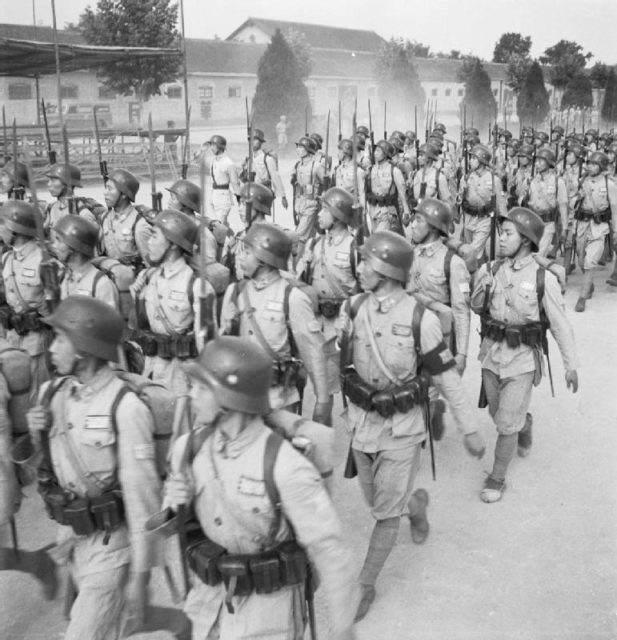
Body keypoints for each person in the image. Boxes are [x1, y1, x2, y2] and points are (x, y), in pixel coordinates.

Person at [163, 336, 358, 640]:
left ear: (230, 397)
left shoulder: (285, 467)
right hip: (206, 606)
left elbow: (330, 551)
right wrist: (176, 507)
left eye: (202, 388)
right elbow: (172, 531)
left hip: (269, 615)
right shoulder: (188, 449)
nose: (191, 395)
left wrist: (343, 628)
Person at [337, 231, 485, 621]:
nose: (361, 268)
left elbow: (447, 377)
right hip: (362, 425)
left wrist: (469, 426)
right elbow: (344, 365)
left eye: (367, 262)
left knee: (384, 515)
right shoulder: (353, 309)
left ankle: (365, 584)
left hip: (402, 430)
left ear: (385, 270)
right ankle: (415, 505)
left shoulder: (423, 319)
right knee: (376, 502)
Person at [26, 296, 162, 639]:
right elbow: (39, 474)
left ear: (84, 349)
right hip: (71, 538)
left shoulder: (126, 408)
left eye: (60, 339)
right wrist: (34, 434)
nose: (51, 348)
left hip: (111, 551)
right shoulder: (52, 394)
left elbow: (142, 495)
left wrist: (141, 576)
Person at [471, 208, 578, 503]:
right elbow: (475, 305)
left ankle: (497, 477)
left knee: (505, 422)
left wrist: (571, 365)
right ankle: (525, 424)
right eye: (500, 232)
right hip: (491, 355)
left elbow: (559, 325)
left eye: (508, 234)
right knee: (497, 413)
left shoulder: (544, 277)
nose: (500, 238)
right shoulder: (491, 269)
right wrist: (484, 286)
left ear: (527, 241)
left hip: (522, 359)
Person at [220, 222, 332, 423]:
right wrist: (227, 329)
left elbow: (315, 355)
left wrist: (322, 402)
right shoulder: (235, 292)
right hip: (240, 398)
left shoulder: (292, 298)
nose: (240, 256)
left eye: (247, 252)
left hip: (278, 399)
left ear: (263, 259)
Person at [130, 209, 217, 394]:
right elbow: (141, 329)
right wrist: (137, 299)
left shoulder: (197, 287)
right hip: (151, 373)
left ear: (172, 244)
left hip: (181, 381)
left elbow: (208, 348)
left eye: (154, 236)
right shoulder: (148, 277)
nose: (148, 242)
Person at [299, 187, 360, 396]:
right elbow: (301, 283)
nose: (319, 214)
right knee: (321, 388)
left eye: (324, 210)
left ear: (338, 215)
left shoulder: (354, 248)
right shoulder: (314, 243)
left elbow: (365, 290)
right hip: (319, 322)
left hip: (344, 321)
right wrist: (303, 265)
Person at [0, 201, 56, 406]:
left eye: (2, 224)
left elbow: (56, 306)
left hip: (37, 340)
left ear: (16, 230)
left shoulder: (44, 261)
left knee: (38, 397)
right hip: (14, 335)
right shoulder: (8, 258)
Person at [572, 151, 617, 311]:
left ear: (601, 166)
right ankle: (588, 284)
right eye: (589, 163)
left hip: (599, 227)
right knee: (580, 258)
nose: (590, 166)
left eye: (594, 164)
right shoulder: (582, 180)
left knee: (590, 261)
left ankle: (582, 297)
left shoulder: (608, 184)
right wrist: (578, 197)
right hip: (582, 225)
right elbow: (572, 203)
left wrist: (616, 230)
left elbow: (615, 208)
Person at [52, 215, 119, 310]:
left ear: (73, 247)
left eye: (59, 240)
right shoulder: (65, 276)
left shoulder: (101, 285)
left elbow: (110, 323)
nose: (54, 245)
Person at [457, 144, 506, 261]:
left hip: (485, 219)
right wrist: (461, 193)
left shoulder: (494, 179)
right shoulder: (466, 177)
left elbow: (500, 203)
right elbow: (459, 199)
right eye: (471, 158)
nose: (471, 161)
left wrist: (504, 223)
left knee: (472, 251)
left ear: (482, 161)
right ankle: (483, 270)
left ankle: (471, 275)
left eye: (474, 158)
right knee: (475, 250)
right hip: (469, 218)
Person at [100, 168, 151, 269]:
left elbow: (150, 265)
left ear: (123, 194)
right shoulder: (105, 218)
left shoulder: (139, 224)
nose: (105, 193)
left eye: (110, 189)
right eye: (106, 188)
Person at [523, 149, 568, 257]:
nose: (537, 164)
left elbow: (563, 205)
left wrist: (565, 228)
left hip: (548, 224)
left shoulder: (558, 181)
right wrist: (524, 189)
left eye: (540, 161)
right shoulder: (530, 180)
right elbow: (521, 201)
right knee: (528, 255)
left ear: (549, 163)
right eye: (536, 161)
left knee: (538, 254)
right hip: (532, 223)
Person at [365, 140, 410, 234]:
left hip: (387, 211)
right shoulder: (370, 169)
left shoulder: (394, 171)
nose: (375, 153)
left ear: (385, 154)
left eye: (378, 151)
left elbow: (402, 194)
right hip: (373, 210)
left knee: (379, 237)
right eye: (375, 150)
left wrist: (406, 211)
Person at [290, 136, 325, 256]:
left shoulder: (316, 166)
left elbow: (327, 182)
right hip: (300, 203)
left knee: (299, 237)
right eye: (298, 147)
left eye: (301, 147)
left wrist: (322, 200)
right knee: (309, 237)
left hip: (311, 204)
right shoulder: (299, 165)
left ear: (308, 150)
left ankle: (295, 265)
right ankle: (309, 263)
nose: (298, 149)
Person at [241, 128, 288, 209]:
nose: (252, 142)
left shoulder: (267, 159)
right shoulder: (248, 159)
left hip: (263, 192)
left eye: (255, 140)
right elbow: (243, 179)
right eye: (250, 140)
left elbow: (275, 177)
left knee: (257, 216)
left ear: (261, 142)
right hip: (251, 192)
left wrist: (283, 196)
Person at [44, 164, 97, 232]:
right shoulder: (52, 208)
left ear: (67, 184)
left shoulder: (81, 212)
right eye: (49, 180)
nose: (48, 184)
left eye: (53, 180)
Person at [203, 135, 240, 226]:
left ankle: (226, 239)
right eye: (211, 145)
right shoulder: (213, 160)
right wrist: (202, 149)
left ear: (220, 147)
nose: (211, 148)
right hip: (214, 195)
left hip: (223, 197)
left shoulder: (228, 163)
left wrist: (239, 197)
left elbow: (234, 182)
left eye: (213, 145)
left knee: (219, 226)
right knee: (218, 224)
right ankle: (231, 238)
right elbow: (196, 160)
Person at [332, 138, 365, 202]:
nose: (338, 153)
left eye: (340, 151)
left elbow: (362, 194)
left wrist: (362, 210)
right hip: (338, 205)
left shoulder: (358, 171)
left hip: (351, 205)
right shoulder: (338, 169)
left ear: (346, 152)